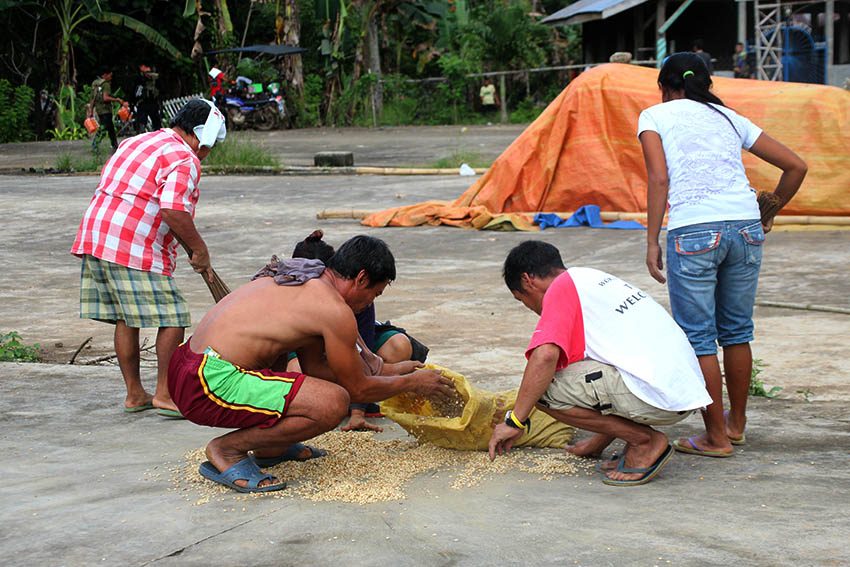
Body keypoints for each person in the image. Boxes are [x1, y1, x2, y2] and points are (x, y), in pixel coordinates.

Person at [168, 235, 453, 493]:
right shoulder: (334, 310)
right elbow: (358, 390)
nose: (369, 304)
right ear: (362, 278)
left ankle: (273, 448)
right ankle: (227, 451)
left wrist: (394, 370)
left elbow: (317, 368)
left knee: (312, 385)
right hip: (205, 382)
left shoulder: (307, 280)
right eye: (374, 295)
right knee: (332, 403)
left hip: (187, 366)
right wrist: (412, 383)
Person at [638, 52, 807, 457]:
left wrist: (650, 241)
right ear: (706, 84)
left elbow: (659, 178)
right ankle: (735, 425)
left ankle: (713, 438)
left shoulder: (654, 117)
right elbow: (796, 166)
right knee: (736, 331)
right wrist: (771, 207)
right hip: (745, 228)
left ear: (665, 87)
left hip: (694, 230)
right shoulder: (729, 117)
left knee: (698, 338)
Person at [488, 241, 713, 486]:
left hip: (660, 394)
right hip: (680, 390)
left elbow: (544, 357)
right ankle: (630, 439)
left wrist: (515, 421)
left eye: (522, 299)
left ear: (528, 280)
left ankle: (645, 442)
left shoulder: (560, 289)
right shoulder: (590, 279)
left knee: (542, 388)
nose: (530, 308)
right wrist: (595, 444)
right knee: (578, 370)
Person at [71, 99, 227, 417]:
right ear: (203, 136)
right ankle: (166, 394)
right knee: (173, 316)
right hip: (131, 242)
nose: (207, 154)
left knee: (126, 317)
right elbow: (173, 210)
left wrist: (189, 247)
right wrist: (200, 249)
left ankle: (135, 394)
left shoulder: (137, 140)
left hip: (97, 234)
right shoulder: (185, 158)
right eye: (211, 146)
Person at [285, 230, 428, 431]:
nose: (372, 300)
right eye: (376, 293)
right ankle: (232, 449)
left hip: (347, 352)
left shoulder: (352, 302)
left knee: (396, 347)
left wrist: (360, 408)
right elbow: (353, 381)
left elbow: (362, 358)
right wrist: (410, 382)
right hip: (233, 376)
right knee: (329, 397)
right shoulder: (322, 305)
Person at [90, 70, 125, 151]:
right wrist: (117, 100)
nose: (111, 77)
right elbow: (105, 98)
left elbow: (92, 98)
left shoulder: (95, 84)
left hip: (99, 109)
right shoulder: (105, 84)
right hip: (106, 110)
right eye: (110, 75)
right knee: (103, 127)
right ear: (105, 75)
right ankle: (95, 144)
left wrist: (91, 110)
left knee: (110, 128)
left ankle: (115, 145)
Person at [133, 64, 162, 133]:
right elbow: (136, 92)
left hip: (153, 102)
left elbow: (160, 89)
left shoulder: (155, 79)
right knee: (141, 122)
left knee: (156, 122)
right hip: (142, 103)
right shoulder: (139, 79)